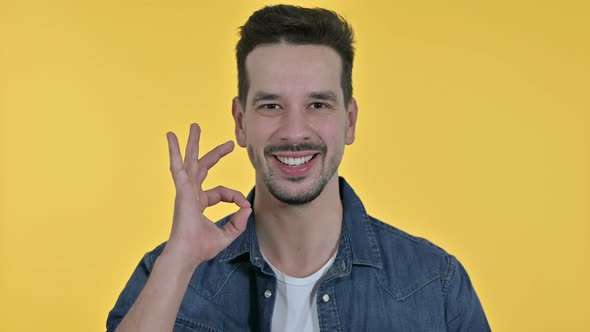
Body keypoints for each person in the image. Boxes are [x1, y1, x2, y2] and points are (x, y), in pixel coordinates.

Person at [107, 4, 491, 332]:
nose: (294, 132)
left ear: (350, 121)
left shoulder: (435, 285)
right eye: (271, 105)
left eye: (318, 105)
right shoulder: (170, 272)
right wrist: (179, 262)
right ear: (241, 122)